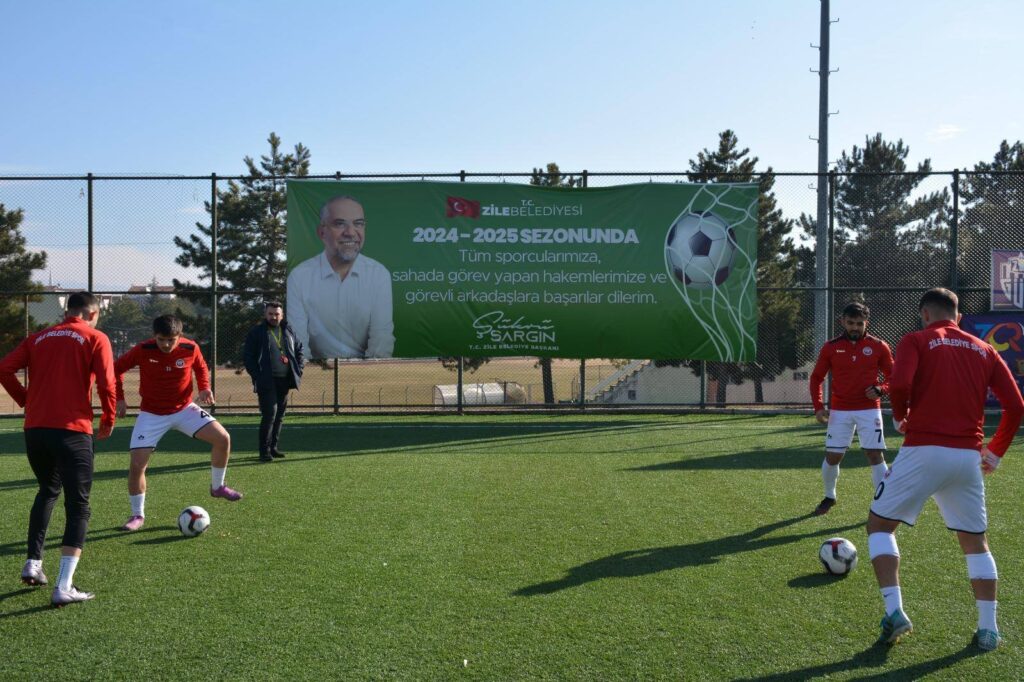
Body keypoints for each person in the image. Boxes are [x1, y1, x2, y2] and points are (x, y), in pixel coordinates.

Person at [868, 288, 1023, 650]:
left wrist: (901, 416)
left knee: (879, 526)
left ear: (925, 314)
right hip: (967, 458)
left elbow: (901, 384)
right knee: (975, 542)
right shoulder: (984, 348)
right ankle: (988, 629)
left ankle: (894, 611)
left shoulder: (916, 339)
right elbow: (1016, 406)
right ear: (959, 316)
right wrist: (995, 452)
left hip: (923, 449)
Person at [0, 292, 116, 606]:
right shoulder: (96, 337)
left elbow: (4, 368)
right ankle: (64, 586)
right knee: (78, 506)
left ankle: (33, 563)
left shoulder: (38, 337)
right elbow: (107, 383)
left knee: (47, 491)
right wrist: (108, 419)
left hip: (35, 430)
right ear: (93, 314)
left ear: (68, 312)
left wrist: (25, 399)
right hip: (72, 431)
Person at [115, 315, 242, 533]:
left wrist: (204, 387)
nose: (166, 345)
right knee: (137, 465)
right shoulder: (143, 349)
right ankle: (137, 515)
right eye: (161, 339)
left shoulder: (190, 348)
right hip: (151, 414)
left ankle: (217, 487)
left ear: (179, 336)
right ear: (154, 336)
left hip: (184, 409)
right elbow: (116, 369)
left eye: (170, 340)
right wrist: (119, 398)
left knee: (223, 438)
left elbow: (201, 367)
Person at [808, 301, 894, 515]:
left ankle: (884, 503)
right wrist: (818, 407)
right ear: (842, 322)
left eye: (859, 323)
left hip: (869, 410)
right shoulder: (830, 347)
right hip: (840, 411)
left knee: (875, 455)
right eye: (851, 323)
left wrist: (881, 389)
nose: (855, 327)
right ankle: (830, 496)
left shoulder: (879, 346)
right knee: (833, 456)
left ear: (866, 323)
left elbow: (895, 377)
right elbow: (816, 378)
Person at [286, 195, 395, 359]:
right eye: (339, 224)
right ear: (322, 232)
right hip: (318, 370)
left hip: (366, 371)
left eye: (358, 224)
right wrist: (311, 372)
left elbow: (381, 339)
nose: (350, 233)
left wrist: (368, 372)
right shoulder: (299, 277)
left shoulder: (379, 274)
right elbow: (297, 342)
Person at [243, 300, 304, 463]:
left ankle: (273, 447)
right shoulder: (257, 332)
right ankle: (264, 451)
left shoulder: (288, 330)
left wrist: (299, 369)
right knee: (270, 414)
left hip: (285, 380)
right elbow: (248, 357)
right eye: (270, 314)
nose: (273, 317)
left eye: (277, 314)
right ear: (265, 314)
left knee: (280, 415)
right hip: (266, 381)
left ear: (282, 315)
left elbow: (299, 350)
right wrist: (258, 376)